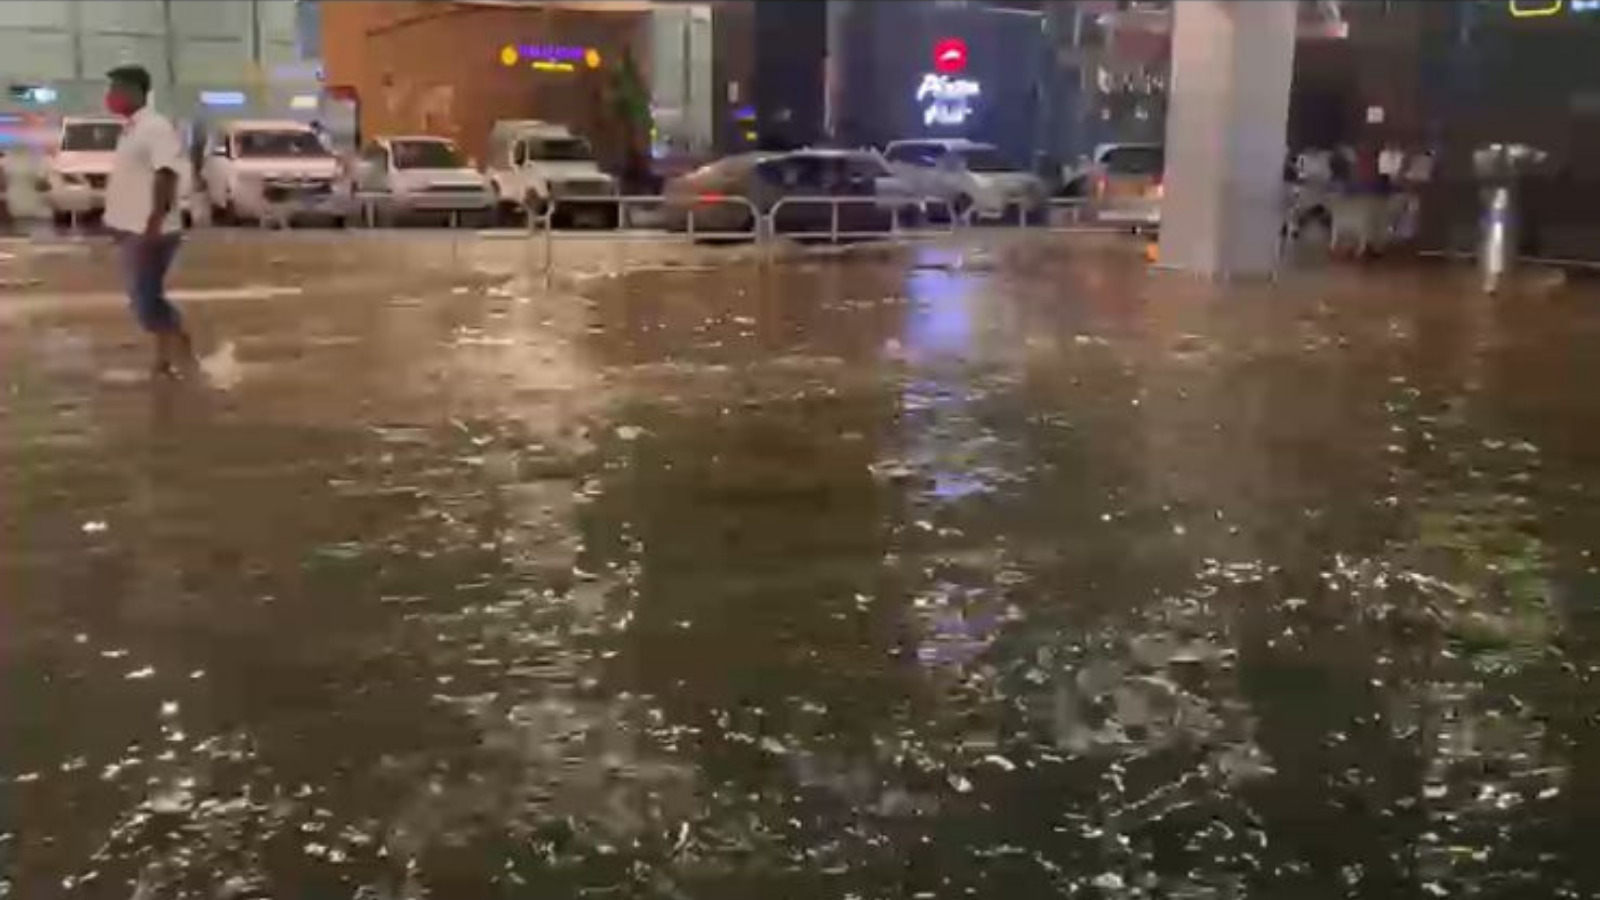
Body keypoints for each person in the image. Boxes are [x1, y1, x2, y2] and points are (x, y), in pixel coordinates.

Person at [102, 64, 194, 378]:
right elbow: (131, 182)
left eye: (117, 89)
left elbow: (165, 173)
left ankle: (178, 349)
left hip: (151, 229)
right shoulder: (131, 129)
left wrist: (154, 221)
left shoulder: (155, 127)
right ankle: (166, 358)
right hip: (132, 228)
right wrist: (115, 221)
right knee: (146, 295)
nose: (111, 96)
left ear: (137, 91)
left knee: (144, 298)